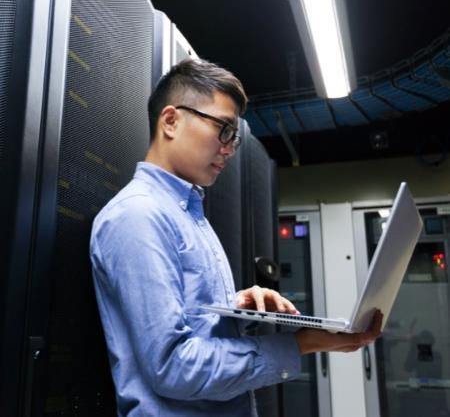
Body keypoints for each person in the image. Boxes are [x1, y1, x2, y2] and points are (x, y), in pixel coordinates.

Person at [90, 58, 382, 417]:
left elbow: (195, 328)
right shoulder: (137, 216)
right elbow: (173, 366)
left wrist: (238, 308)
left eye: (234, 137)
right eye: (223, 130)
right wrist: (300, 344)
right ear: (170, 121)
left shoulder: (190, 216)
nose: (229, 148)